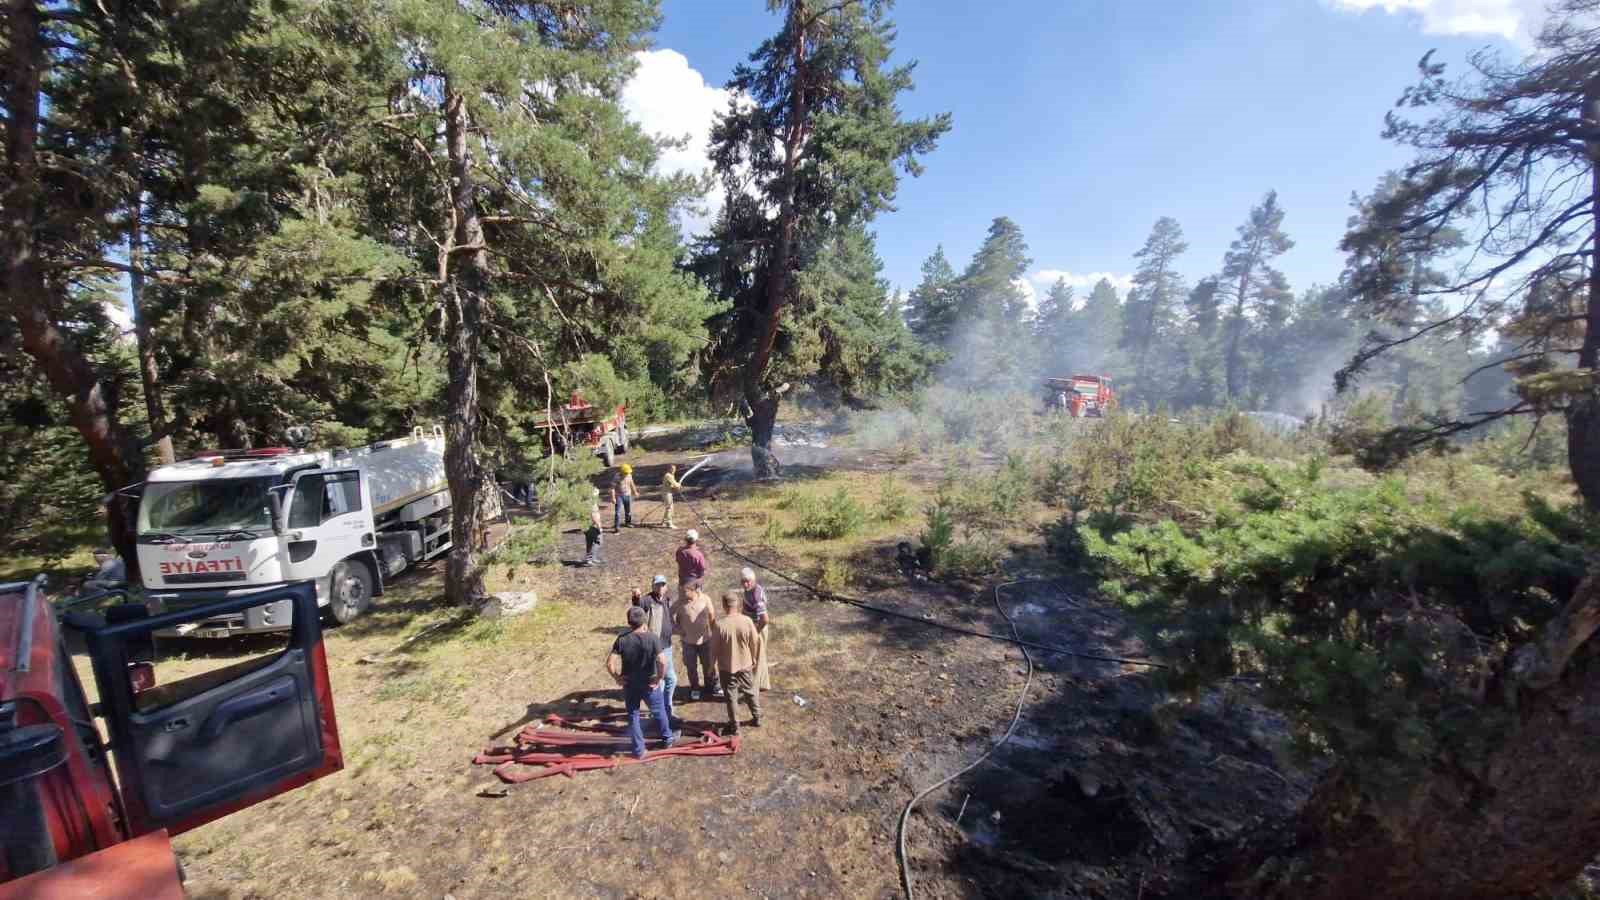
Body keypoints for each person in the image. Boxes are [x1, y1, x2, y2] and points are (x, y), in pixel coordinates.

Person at [606, 605, 676, 759]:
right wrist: (659, 678)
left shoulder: (622, 639)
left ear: (629, 623)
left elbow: (610, 663)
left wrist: (617, 677)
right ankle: (667, 738)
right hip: (649, 683)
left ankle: (639, 750)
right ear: (644, 621)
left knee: (633, 715)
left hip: (630, 684)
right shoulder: (652, 638)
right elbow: (662, 661)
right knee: (659, 711)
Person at [711, 590, 762, 735]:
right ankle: (757, 717)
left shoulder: (720, 625)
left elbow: (713, 649)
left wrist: (710, 666)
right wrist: (753, 658)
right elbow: (755, 641)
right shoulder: (747, 621)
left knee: (731, 697)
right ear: (737, 604)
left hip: (727, 668)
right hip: (745, 664)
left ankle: (735, 726)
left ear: (724, 605)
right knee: (751, 692)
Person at [632, 577, 678, 726]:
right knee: (660, 681)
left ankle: (667, 706)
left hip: (668, 646)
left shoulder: (667, 599)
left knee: (671, 679)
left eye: (663, 584)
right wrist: (636, 597)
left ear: (666, 586)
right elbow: (637, 607)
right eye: (657, 584)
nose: (660, 587)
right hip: (655, 648)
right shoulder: (647, 600)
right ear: (653, 586)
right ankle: (661, 710)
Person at [673, 580, 720, 700]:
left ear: (692, 590)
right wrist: (677, 629)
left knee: (709, 664)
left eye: (684, 591)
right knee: (691, 667)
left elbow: (712, 616)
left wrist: (714, 634)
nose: (682, 594)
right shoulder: (680, 602)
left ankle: (712, 685)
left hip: (705, 640)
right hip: (688, 642)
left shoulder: (705, 599)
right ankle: (695, 688)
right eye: (681, 591)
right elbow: (668, 615)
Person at [740, 567, 772, 690]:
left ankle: (755, 686)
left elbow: (765, 619)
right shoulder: (750, 590)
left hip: (758, 626)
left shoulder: (756, 595)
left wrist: (756, 632)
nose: (745, 584)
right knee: (759, 655)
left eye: (748, 581)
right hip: (752, 625)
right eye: (743, 581)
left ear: (754, 580)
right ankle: (763, 684)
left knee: (757, 657)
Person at [612, 464, 637, 531]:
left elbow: (632, 484)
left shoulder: (629, 475)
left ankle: (628, 523)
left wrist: (635, 491)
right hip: (619, 496)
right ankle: (617, 527)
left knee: (628, 510)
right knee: (618, 512)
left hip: (627, 495)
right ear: (622, 472)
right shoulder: (616, 477)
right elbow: (612, 488)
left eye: (628, 473)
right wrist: (613, 498)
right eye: (625, 473)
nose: (627, 474)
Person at [583, 489, 604, 566]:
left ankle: (590, 559)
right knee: (598, 542)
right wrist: (599, 527)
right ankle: (591, 559)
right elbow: (593, 516)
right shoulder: (592, 504)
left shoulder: (585, 503)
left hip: (585, 526)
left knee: (589, 543)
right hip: (593, 526)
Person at [661, 463, 683, 529]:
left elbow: (673, 485)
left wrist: (677, 485)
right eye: (672, 469)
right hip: (666, 493)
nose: (674, 470)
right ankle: (669, 523)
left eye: (674, 469)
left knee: (668, 507)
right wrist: (678, 485)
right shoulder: (668, 475)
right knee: (670, 508)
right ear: (669, 469)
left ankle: (664, 522)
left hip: (668, 493)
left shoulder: (671, 475)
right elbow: (675, 484)